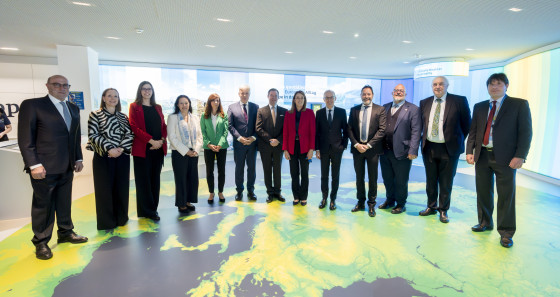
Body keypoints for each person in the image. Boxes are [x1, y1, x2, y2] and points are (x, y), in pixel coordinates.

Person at [18, 74, 87, 260]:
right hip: (43, 168)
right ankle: (41, 242)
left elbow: (75, 136)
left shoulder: (72, 108)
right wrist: (34, 164)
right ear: (48, 86)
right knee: (43, 205)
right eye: (57, 84)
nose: (62, 88)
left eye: (66, 85)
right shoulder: (32, 105)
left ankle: (65, 232)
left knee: (64, 201)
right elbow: (25, 138)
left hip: (67, 166)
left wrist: (78, 158)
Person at [466, 73, 532, 248]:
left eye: (499, 84)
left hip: (507, 158)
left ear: (506, 86)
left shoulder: (519, 104)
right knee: (483, 192)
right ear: (487, 87)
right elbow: (474, 131)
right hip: (482, 156)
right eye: (491, 84)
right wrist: (469, 151)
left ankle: (506, 232)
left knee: (506, 196)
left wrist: (520, 156)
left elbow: (526, 132)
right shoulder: (479, 106)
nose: (494, 87)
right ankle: (485, 222)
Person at [419, 76, 471, 223]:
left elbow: (467, 124)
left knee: (446, 182)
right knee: (430, 180)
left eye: (441, 84)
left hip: (449, 149)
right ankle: (431, 206)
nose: (438, 87)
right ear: (432, 87)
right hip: (429, 147)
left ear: (447, 86)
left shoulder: (459, 101)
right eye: (435, 84)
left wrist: (456, 139)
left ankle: (443, 210)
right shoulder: (425, 102)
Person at [86, 88, 134, 230]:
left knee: (122, 188)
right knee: (104, 190)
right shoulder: (95, 114)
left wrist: (120, 149)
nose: (113, 98)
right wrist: (109, 149)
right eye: (110, 96)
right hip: (103, 156)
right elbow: (93, 135)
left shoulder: (123, 116)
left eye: (116, 96)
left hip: (122, 156)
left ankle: (121, 218)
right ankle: (107, 222)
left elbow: (130, 134)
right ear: (104, 98)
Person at [378, 84, 421, 214]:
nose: (398, 92)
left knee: (401, 180)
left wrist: (413, 150)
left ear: (405, 94)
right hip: (384, 151)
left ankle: (401, 204)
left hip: (403, 151)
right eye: (396, 90)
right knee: (387, 178)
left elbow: (416, 130)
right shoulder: (384, 107)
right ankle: (390, 200)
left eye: (401, 91)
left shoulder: (413, 109)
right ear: (392, 93)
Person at [129, 81, 167, 221]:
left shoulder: (158, 107)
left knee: (154, 180)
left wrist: (161, 141)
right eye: (144, 89)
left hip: (157, 150)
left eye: (149, 89)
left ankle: (153, 209)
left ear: (152, 91)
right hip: (142, 150)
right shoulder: (134, 106)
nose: (147, 91)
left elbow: (163, 126)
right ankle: (146, 210)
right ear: (140, 91)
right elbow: (134, 127)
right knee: (143, 181)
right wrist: (151, 141)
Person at [347, 85, 386, 217]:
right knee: (359, 177)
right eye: (364, 94)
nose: (366, 96)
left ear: (372, 95)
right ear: (361, 95)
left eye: (368, 94)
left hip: (372, 150)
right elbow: (349, 129)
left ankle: (371, 204)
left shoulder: (380, 110)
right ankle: (360, 202)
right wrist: (356, 144)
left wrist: (368, 145)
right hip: (358, 149)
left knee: (372, 178)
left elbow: (382, 130)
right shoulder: (354, 110)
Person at [168, 95, 202, 213]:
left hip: (193, 153)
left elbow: (199, 136)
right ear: (177, 105)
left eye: (186, 103)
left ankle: (188, 201)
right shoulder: (172, 118)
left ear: (189, 104)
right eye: (181, 103)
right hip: (179, 153)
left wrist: (196, 150)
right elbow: (172, 137)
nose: (184, 105)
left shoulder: (195, 118)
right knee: (181, 179)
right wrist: (185, 151)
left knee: (192, 178)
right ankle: (181, 203)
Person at [315, 90, 348, 210]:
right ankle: (324, 198)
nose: (329, 100)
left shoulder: (341, 112)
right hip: (323, 149)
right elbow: (316, 133)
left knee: (335, 176)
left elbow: (346, 131)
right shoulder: (319, 113)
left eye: (331, 97)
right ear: (323, 99)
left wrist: (343, 146)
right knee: (324, 176)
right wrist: (317, 149)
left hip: (337, 149)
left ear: (335, 98)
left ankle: (333, 199)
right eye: (327, 98)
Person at [283, 90, 316, 206]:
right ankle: (296, 196)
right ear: (294, 100)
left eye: (302, 97)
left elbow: (313, 133)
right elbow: (285, 132)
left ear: (304, 100)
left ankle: (304, 197)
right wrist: (285, 149)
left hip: (305, 148)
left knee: (305, 174)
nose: (300, 99)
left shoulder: (310, 113)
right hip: (292, 147)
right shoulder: (288, 113)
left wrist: (312, 149)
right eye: (297, 97)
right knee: (294, 173)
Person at [228, 85, 259, 202]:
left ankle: (251, 191)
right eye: (242, 93)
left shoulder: (256, 107)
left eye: (247, 93)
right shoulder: (232, 107)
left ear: (249, 94)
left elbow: (259, 126)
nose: (244, 95)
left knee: (252, 169)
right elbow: (230, 126)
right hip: (239, 144)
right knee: (239, 168)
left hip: (252, 144)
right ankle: (239, 191)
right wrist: (239, 138)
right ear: (239, 93)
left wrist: (253, 137)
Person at [256, 88, 287, 203]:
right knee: (267, 170)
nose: (273, 97)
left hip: (278, 146)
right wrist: (270, 140)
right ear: (267, 96)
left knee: (278, 170)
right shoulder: (261, 111)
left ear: (278, 97)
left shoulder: (285, 111)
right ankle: (270, 193)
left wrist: (278, 140)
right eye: (271, 95)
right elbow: (258, 128)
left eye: (275, 95)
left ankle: (277, 192)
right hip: (265, 146)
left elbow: (286, 129)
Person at [200, 93, 229, 204]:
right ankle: (211, 192)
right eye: (213, 100)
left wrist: (220, 144)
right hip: (209, 147)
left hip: (222, 147)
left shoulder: (223, 115)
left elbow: (225, 132)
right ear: (209, 102)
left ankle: (220, 192)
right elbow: (203, 132)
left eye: (217, 100)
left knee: (221, 171)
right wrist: (209, 144)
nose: (216, 102)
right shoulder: (204, 115)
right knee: (209, 171)